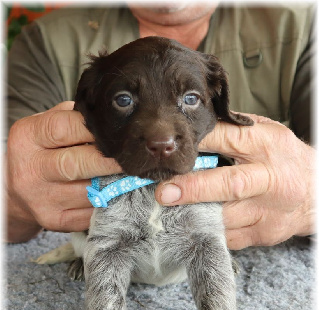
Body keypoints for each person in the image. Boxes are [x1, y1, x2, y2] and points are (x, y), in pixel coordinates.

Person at [6, 3, 316, 249]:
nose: (161, 135)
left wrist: (309, 199)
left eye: (191, 98)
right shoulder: (46, 42)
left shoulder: (304, 25)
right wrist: (12, 195)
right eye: (124, 100)